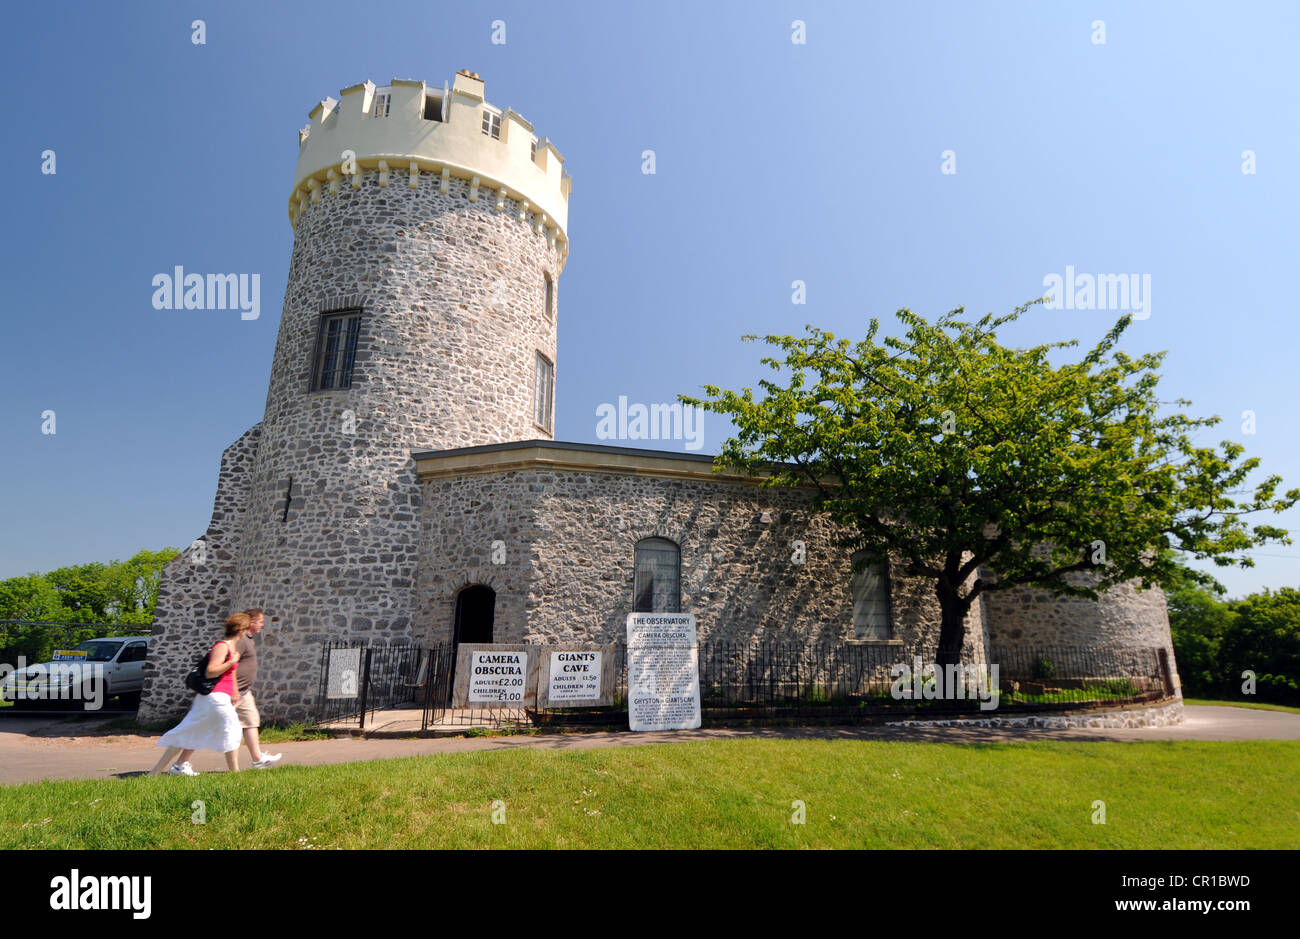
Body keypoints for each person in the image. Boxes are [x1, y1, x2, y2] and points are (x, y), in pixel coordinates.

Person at [147, 614, 248, 776]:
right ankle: (235, 774)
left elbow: (230, 674)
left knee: (190, 732)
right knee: (233, 730)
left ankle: (157, 772)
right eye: (246, 629)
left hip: (217, 698)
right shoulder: (222, 646)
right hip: (214, 698)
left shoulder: (231, 648)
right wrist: (230, 661)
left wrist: (234, 692)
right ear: (241, 630)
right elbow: (210, 672)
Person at [235, 608, 282, 769]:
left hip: (243, 691)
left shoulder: (248, 639)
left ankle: (258, 759)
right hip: (232, 691)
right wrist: (233, 688)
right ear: (252, 622)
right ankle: (180, 763)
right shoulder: (241, 639)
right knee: (204, 727)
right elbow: (231, 664)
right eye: (260, 622)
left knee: (250, 720)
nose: (262, 625)